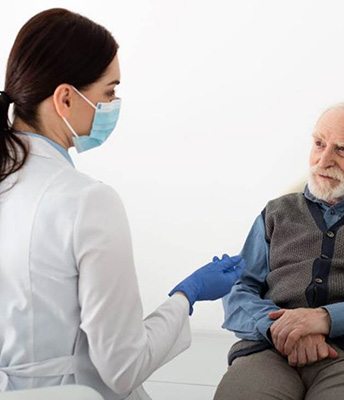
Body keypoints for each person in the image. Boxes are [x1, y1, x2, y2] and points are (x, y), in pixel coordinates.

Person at [0, 8, 244, 400]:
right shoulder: (86, 201)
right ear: (65, 98)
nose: (113, 104)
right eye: (109, 92)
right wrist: (188, 296)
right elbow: (123, 366)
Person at [215, 102, 344, 400]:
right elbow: (238, 288)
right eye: (319, 144)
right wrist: (282, 328)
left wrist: (328, 318)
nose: (323, 160)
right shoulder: (277, 212)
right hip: (273, 352)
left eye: (341, 149)